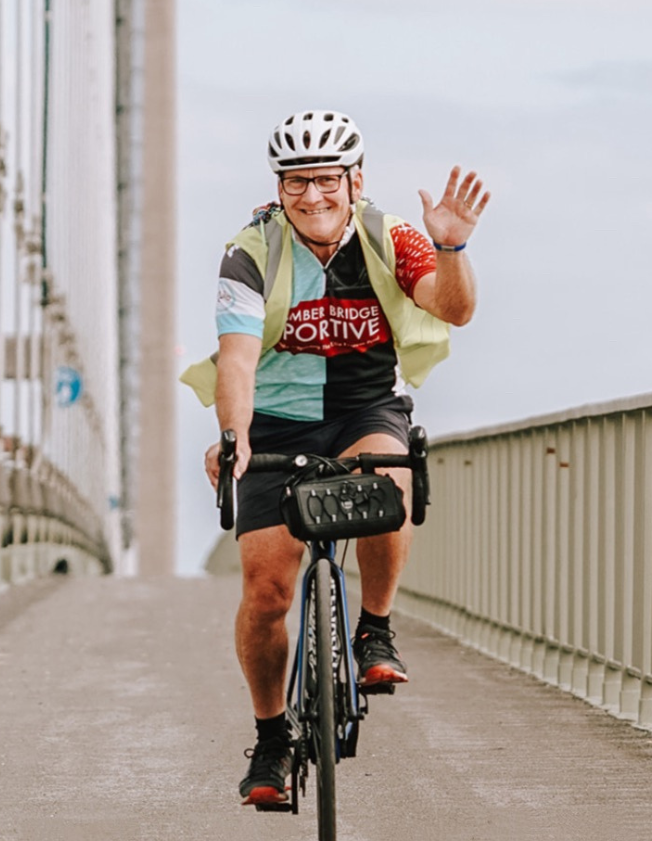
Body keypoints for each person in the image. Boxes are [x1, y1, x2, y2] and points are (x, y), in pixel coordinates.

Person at [181, 110, 489, 807]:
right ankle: (269, 739)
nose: (312, 197)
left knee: (389, 476)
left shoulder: (390, 236)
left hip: (363, 408)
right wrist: (236, 439)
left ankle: (374, 630)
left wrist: (452, 248)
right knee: (266, 594)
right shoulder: (249, 252)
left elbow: (454, 308)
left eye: (325, 180)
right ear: (278, 188)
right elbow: (236, 362)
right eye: (296, 183)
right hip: (277, 421)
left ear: (355, 181)